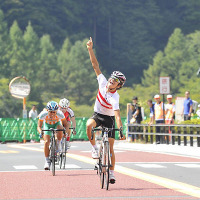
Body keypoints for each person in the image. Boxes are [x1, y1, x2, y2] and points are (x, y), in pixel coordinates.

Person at [86, 37, 125, 184]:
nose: (111, 81)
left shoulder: (115, 97)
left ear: (118, 85)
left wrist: (120, 129)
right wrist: (90, 49)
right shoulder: (102, 82)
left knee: (110, 148)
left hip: (109, 119)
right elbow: (95, 65)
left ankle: (112, 172)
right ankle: (95, 148)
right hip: (97, 115)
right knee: (89, 125)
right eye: (111, 78)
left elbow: (117, 115)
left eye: (115, 81)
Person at [37, 101, 68, 170]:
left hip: (56, 124)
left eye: (54, 112)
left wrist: (65, 132)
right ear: (47, 110)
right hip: (47, 125)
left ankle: (58, 143)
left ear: (57, 111)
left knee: (60, 128)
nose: (52, 114)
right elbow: (39, 126)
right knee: (46, 142)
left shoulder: (60, 114)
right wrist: (41, 132)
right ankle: (47, 161)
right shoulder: (43, 114)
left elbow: (65, 124)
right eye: (51, 112)